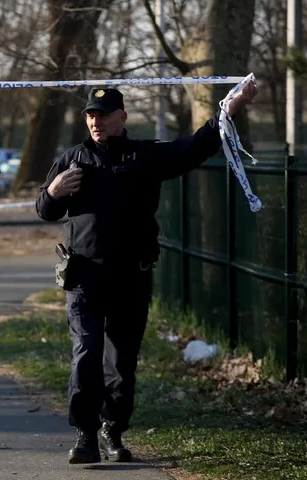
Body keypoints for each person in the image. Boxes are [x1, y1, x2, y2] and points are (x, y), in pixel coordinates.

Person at [35, 82, 258, 464]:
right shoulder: (73, 159)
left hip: (130, 277)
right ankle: (85, 434)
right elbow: (45, 210)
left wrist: (229, 110)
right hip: (84, 278)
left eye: (103, 115)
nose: (95, 121)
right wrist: (54, 191)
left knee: (121, 362)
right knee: (86, 353)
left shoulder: (144, 156)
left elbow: (193, 148)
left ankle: (112, 431)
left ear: (122, 117)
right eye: (91, 115)